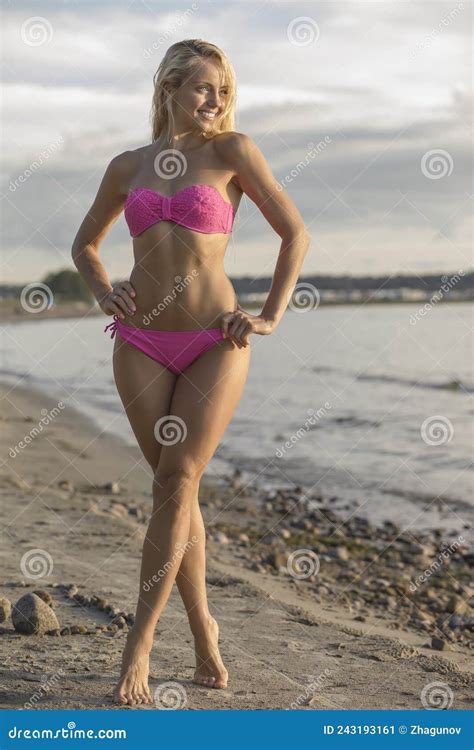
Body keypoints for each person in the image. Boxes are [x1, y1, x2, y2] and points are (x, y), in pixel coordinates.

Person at [71, 38, 310, 707]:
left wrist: (268, 316)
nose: (216, 102)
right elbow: (85, 243)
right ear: (170, 88)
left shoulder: (233, 153)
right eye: (205, 88)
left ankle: (139, 646)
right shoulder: (127, 166)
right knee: (176, 489)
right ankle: (205, 627)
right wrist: (101, 290)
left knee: (177, 479)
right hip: (140, 341)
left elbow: (296, 234)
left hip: (215, 340)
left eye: (225, 92)